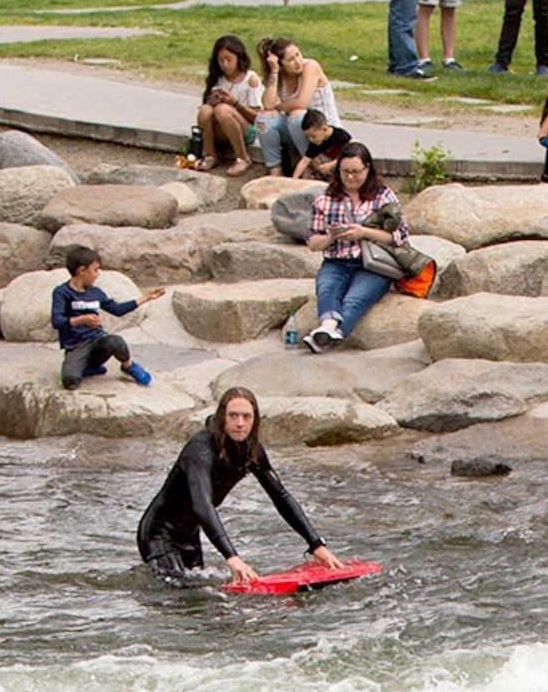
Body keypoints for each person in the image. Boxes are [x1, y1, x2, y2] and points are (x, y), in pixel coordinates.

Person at [134, 390, 349, 586]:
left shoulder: (251, 451)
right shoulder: (200, 449)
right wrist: (232, 557)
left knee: (196, 592)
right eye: (233, 416)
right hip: (158, 533)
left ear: (255, 421)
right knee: (179, 596)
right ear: (222, 418)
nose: (239, 423)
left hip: (190, 533)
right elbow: (202, 504)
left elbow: (281, 497)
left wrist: (316, 544)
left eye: (247, 417)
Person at [301, 140, 409, 352]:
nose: (350, 177)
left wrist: (364, 232)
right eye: (345, 172)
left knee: (356, 299)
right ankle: (328, 329)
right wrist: (331, 237)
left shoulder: (383, 196)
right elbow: (313, 242)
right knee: (327, 290)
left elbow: (400, 236)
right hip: (336, 260)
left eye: (356, 172)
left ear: (367, 169)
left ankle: (328, 334)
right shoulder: (324, 199)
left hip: (373, 264)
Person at [53, 246, 162, 388]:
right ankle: (85, 368)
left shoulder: (95, 292)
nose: (98, 274)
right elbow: (57, 321)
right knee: (70, 382)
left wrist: (146, 297)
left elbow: (117, 309)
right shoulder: (62, 293)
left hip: (97, 342)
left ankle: (128, 366)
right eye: (95, 270)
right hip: (76, 346)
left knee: (116, 342)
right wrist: (82, 320)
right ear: (82, 270)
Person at [254, 36, 339, 174]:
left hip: (323, 130)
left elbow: (302, 103)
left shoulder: (310, 67)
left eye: (298, 55)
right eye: (290, 60)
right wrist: (274, 72)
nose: (297, 62)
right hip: (299, 131)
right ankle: (275, 167)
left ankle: (312, 166)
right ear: (281, 64)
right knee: (264, 118)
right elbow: (268, 105)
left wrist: (279, 107)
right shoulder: (279, 76)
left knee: (296, 115)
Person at [195, 35, 261, 173]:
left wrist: (235, 104)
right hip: (220, 128)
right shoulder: (217, 78)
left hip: (245, 128)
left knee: (223, 110)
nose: (225, 64)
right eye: (221, 60)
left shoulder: (250, 79)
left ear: (238, 57)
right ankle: (210, 155)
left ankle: (242, 157)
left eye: (229, 59)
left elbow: (257, 117)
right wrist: (211, 102)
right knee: (206, 110)